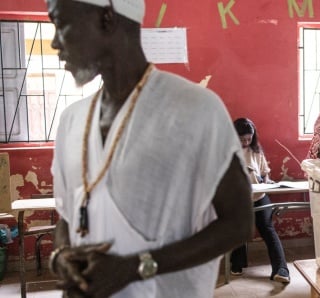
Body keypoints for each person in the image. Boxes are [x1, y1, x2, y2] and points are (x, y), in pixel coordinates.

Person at [47, 0, 253, 297]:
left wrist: (135, 267)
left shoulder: (195, 108)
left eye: (60, 23)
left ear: (107, 18)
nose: (54, 42)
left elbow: (239, 222)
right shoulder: (71, 120)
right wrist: (62, 256)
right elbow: (68, 216)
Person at [229, 118, 291, 284]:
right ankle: (237, 263)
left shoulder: (256, 150)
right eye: (242, 139)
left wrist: (266, 180)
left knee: (268, 229)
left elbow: (265, 173)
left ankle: (281, 269)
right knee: (240, 230)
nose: (246, 142)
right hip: (239, 198)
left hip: (259, 195)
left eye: (249, 139)